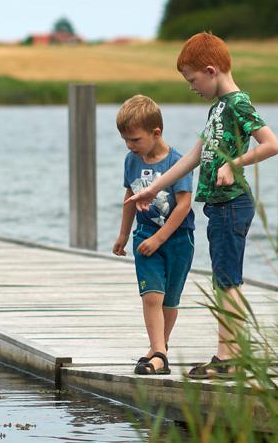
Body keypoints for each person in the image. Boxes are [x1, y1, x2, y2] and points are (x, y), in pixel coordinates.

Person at [127, 32, 278, 378]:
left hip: (232, 203)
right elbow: (193, 158)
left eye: (193, 80)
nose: (192, 87)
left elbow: (271, 144)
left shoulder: (238, 104)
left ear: (211, 71)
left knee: (226, 281)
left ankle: (228, 358)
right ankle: (233, 354)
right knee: (226, 279)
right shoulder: (217, 109)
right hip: (219, 206)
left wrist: (233, 164)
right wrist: (153, 189)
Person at [112, 95, 195, 376]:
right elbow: (130, 195)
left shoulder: (177, 162)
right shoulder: (131, 161)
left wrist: (162, 238)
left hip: (178, 238)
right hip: (145, 236)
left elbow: (184, 204)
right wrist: (124, 234)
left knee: (170, 300)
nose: (129, 146)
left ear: (155, 133)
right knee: (151, 296)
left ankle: (159, 348)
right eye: (125, 140)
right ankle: (159, 353)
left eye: (134, 139)